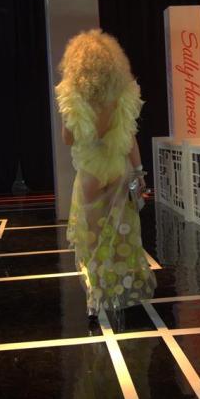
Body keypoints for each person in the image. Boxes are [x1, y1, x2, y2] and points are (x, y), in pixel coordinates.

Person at [55, 30, 156, 321]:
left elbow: (67, 139)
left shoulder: (72, 96)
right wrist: (139, 173)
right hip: (118, 171)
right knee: (120, 236)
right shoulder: (122, 93)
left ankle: (95, 297)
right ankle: (118, 293)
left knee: (92, 240)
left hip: (90, 173)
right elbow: (129, 138)